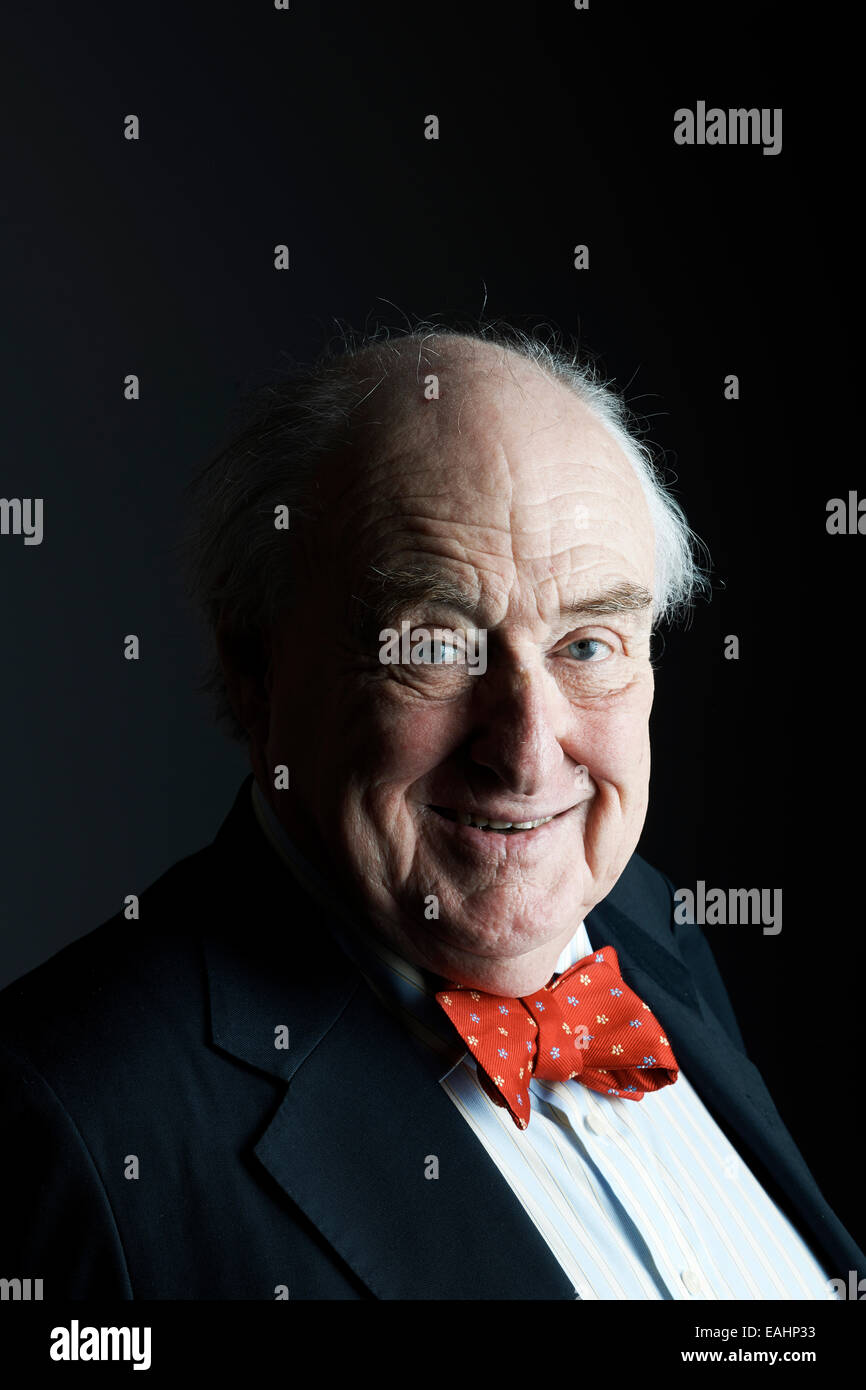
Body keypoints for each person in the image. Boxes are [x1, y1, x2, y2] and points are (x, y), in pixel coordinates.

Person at [0, 323, 861, 1300]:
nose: (527, 754)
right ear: (257, 672)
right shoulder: (66, 1127)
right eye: (435, 647)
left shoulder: (649, 923)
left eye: (586, 645)